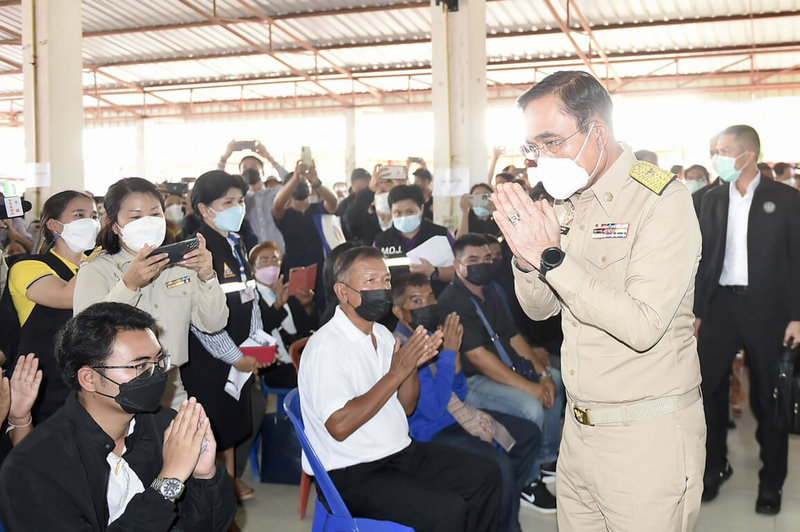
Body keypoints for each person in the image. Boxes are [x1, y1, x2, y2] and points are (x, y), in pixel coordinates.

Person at [493, 70, 705, 531]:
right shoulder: (565, 200)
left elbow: (643, 325)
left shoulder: (660, 200)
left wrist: (550, 257)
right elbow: (539, 310)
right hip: (580, 429)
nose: (541, 160)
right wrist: (527, 260)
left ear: (597, 132)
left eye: (552, 142)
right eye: (533, 148)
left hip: (645, 436)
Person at [298, 246, 501, 532]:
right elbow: (339, 426)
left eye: (386, 280)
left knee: (487, 474)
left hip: (400, 452)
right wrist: (396, 374)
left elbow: (407, 406)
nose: (382, 288)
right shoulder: (326, 347)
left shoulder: (381, 333)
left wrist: (411, 367)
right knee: (448, 511)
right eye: (370, 281)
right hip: (352, 472)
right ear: (343, 293)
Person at [0, 302, 237, 531]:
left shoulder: (166, 426)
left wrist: (205, 476)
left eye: (158, 361)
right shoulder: (34, 467)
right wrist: (168, 482)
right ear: (89, 379)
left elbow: (213, 525)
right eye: (139, 366)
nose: (155, 375)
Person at [694, 125, 800, 514]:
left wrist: (797, 316)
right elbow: (700, 260)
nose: (715, 158)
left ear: (748, 155)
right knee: (707, 390)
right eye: (713, 150)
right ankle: (712, 467)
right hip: (720, 307)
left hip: (770, 311)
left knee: (770, 395)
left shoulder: (786, 199)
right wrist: (697, 312)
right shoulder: (709, 199)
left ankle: (771, 481)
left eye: (722, 150)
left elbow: (797, 260)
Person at [392, 272, 540, 532]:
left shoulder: (430, 335)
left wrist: (453, 355)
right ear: (399, 311)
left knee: (528, 434)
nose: (427, 305)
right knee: (498, 463)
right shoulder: (403, 347)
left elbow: (458, 394)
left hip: (455, 416)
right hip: (429, 433)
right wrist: (449, 354)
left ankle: (496, 506)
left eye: (430, 297)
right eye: (416, 302)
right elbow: (433, 410)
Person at [74, 177, 228, 409]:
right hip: (115, 392)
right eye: (135, 217)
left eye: (155, 214)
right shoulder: (97, 269)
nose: (147, 222)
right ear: (116, 226)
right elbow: (84, 337)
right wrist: (129, 285)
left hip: (171, 387)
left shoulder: (179, 265)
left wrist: (207, 276)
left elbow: (213, 323)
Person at [436, 233, 561, 513]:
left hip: (505, 366)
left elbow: (513, 335)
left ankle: (545, 459)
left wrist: (541, 375)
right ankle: (526, 482)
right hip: (473, 381)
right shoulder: (452, 301)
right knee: (530, 406)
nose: (484, 264)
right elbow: (478, 358)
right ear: (458, 266)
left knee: (555, 380)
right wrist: (531, 388)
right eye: (474, 260)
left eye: (487, 258)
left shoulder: (492, 290)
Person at [180, 170, 273, 500]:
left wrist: (257, 347)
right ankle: (215, 497)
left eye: (240, 201)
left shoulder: (236, 243)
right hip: (210, 361)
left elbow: (251, 297)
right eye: (228, 202)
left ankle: (229, 487)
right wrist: (237, 356)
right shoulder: (198, 252)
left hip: (240, 356)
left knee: (231, 428)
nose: (238, 207)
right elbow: (198, 320)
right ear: (205, 210)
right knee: (213, 429)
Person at [7, 191, 99, 423]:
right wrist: (100, 260)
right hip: (41, 391)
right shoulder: (28, 266)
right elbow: (66, 296)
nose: (89, 222)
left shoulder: (95, 265)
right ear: (53, 225)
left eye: (94, 216)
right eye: (79, 214)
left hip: (88, 389)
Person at [273, 162, 338, 310]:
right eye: (296, 183)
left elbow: (333, 201)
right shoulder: (284, 215)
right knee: (300, 310)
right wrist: (295, 178)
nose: (300, 185)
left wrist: (316, 182)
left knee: (325, 309)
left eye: (305, 182)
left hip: (322, 268)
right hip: (296, 270)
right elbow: (277, 204)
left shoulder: (320, 209)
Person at [374, 184, 455, 295]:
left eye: (410, 212)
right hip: (395, 305)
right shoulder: (381, 241)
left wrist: (435, 272)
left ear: (421, 209)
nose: (404, 217)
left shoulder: (441, 235)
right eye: (397, 213)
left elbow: (460, 271)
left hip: (437, 301)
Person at [337, 168, 372, 242]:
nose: (367, 183)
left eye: (369, 180)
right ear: (353, 182)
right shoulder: (344, 204)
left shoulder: (373, 199)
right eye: (363, 180)